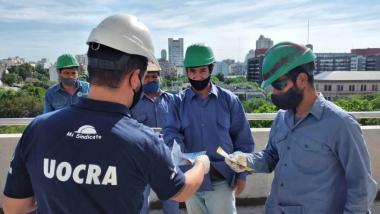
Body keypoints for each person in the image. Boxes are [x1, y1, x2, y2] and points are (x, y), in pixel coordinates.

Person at [2, 14, 210, 214]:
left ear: (89, 69)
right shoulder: (144, 141)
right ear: (135, 77)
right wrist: (201, 164)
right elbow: (181, 191)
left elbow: (14, 208)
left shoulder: (37, 129)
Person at [225, 41, 377, 214]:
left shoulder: (340, 124)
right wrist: (245, 160)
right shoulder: (282, 119)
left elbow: (362, 187)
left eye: (279, 86)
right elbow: (271, 157)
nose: (274, 93)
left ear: (302, 79)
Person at [163, 43, 254, 214]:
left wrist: (241, 175)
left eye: (203, 70)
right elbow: (171, 133)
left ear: (211, 69)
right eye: (193, 71)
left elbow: (243, 141)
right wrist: (181, 155)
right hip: (191, 177)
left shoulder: (229, 101)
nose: (197, 76)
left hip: (222, 178)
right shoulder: (177, 103)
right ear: (187, 72)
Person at [131, 62, 180, 214]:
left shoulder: (172, 100)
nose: (151, 79)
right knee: (141, 203)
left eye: (155, 76)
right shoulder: (133, 102)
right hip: (142, 160)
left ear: (160, 77)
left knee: (172, 201)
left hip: (168, 159)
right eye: (147, 77)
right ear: (140, 78)